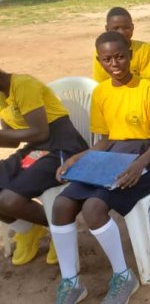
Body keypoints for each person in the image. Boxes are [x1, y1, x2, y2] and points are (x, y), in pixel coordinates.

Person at [51, 31, 150, 304]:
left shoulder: (148, 89)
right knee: (62, 204)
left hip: (146, 158)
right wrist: (78, 158)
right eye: (107, 59)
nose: (114, 63)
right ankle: (71, 281)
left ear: (130, 55)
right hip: (111, 156)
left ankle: (123, 275)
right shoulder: (101, 92)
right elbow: (103, 141)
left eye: (119, 56)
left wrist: (140, 165)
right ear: (99, 60)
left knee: (93, 207)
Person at [0, 70, 87, 267]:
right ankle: (27, 230)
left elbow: (40, 132)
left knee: (9, 200)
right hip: (36, 149)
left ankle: (59, 231)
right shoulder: (2, 94)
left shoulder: (22, 85)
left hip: (62, 147)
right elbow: (12, 141)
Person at [93, 7, 150, 84]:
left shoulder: (145, 49)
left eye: (126, 28)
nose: (121, 32)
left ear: (132, 27)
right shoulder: (102, 53)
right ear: (107, 29)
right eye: (115, 28)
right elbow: (100, 83)